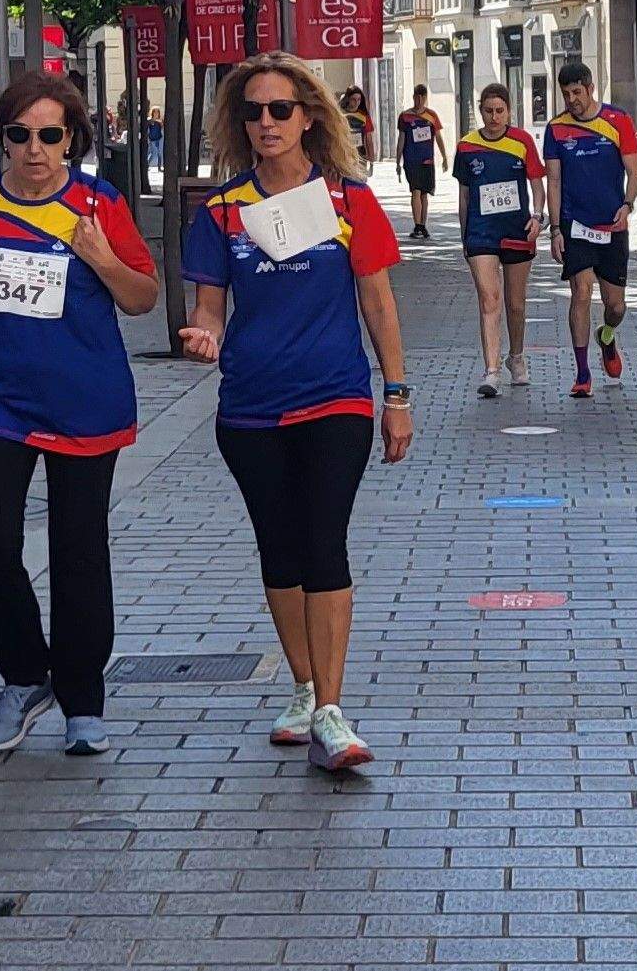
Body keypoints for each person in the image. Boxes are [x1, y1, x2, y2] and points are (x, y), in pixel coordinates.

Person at [180, 51, 412, 773]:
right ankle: (305, 686)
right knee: (278, 549)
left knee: (323, 541)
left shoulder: (346, 202)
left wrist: (396, 394)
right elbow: (210, 306)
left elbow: (377, 299)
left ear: (309, 115)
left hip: (335, 396)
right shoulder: (222, 212)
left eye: (281, 108)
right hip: (250, 406)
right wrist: (204, 333)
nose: (267, 122)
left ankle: (333, 711)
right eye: (253, 111)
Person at [0, 71, 162, 756]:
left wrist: (101, 255)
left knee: (78, 550)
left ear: (73, 140)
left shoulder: (98, 203)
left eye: (50, 135)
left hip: (87, 401)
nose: (34, 149)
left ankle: (83, 697)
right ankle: (26, 673)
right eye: (19, 134)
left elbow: (144, 297)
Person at [543, 62, 637, 399]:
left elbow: (635, 171)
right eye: (566, 94)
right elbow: (553, 181)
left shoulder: (618, 121)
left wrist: (627, 205)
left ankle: (607, 336)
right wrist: (556, 229)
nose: (572, 100)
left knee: (615, 306)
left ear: (589, 88)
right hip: (576, 225)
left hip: (612, 225)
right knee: (581, 293)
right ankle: (583, 372)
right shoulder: (556, 129)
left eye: (577, 92)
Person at [451, 83, 547, 398]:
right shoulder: (466, 146)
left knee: (515, 304)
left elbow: (537, 184)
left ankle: (515, 357)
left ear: (508, 111)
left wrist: (538, 216)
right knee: (489, 300)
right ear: (481, 111)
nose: (495, 118)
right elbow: (464, 195)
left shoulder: (521, 142)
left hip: (517, 230)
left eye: (500, 111)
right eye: (489, 111)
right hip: (481, 232)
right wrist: (465, 236)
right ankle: (491, 370)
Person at [392, 85, 449, 240]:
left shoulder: (431, 116)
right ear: (413, 97)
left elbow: (438, 137)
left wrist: (444, 157)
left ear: (426, 98)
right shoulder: (405, 116)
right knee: (415, 190)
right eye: (417, 97)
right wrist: (398, 160)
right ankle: (417, 224)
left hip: (427, 160)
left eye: (422, 97)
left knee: (425, 193)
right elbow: (401, 139)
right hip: (411, 160)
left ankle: (423, 225)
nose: (419, 100)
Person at [339, 86, 375, 169]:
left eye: (359, 99)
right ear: (348, 99)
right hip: (344, 156)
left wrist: (372, 161)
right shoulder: (340, 115)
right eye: (353, 99)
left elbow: (369, 139)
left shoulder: (364, 117)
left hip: (360, 156)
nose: (356, 102)